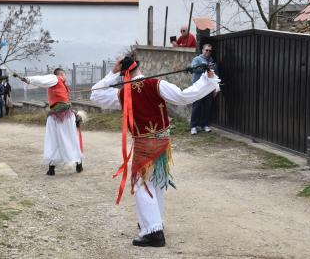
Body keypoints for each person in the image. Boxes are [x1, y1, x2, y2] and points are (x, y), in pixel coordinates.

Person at [90, 56, 220, 247]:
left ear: (122, 72)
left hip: (144, 143)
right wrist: (207, 80)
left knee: (142, 185)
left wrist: (112, 74)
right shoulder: (156, 84)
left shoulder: (123, 92)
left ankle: (154, 232)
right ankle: (154, 222)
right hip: (162, 141)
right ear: (137, 68)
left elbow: (95, 95)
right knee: (156, 182)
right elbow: (183, 96)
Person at [16, 68, 83, 176]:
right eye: (65, 75)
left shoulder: (59, 84)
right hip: (63, 117)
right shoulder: (56, 78)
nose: (65, 77)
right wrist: (28, 79)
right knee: (70, 139)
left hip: (56, 116)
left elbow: (39, 83)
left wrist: (28, 80)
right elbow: (42, 80)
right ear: (61, 74)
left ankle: (53, 168)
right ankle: (77, 164)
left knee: (54, 140)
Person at [190, 44, 218, 135]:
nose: (208, 52)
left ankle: (204, 125)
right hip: (198, 87)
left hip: (208, 88)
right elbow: (193, 70)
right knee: (196, 106)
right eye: (206, 50)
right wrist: (204, 67)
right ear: (202, 50)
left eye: (210, 51)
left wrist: (215, 88)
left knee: (207, 107)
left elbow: (216, 76)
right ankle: (193, 126)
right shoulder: (197, 59)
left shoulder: (212, 62)